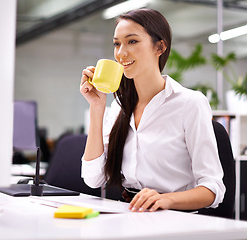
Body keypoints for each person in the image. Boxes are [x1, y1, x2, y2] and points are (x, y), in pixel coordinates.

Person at [79, 8, 225, 212]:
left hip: (175, 218)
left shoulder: (190, 103)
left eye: (132, 41)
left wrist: (167, 200)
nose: (121, 53)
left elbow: (213, 188)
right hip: (130, 213)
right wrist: (96, 107)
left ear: (160, 47)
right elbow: (94, 179)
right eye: (117, 43)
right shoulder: (120, 106)